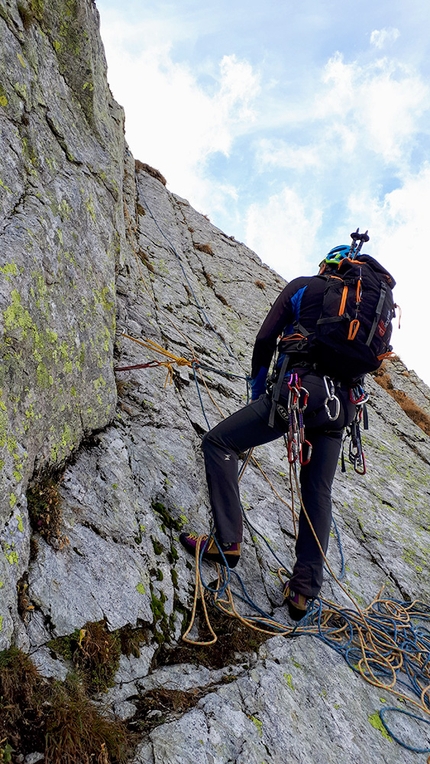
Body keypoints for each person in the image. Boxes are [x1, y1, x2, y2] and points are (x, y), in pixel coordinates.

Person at [180, 244, 364, 621]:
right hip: (338, 412)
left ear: (325, 266)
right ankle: (302, 593)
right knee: (318, 493)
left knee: (219, 442)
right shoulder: (359, 313)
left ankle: (227, 541)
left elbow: (265, 339)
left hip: (297, 393)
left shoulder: (304, 287)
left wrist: (257, 389)